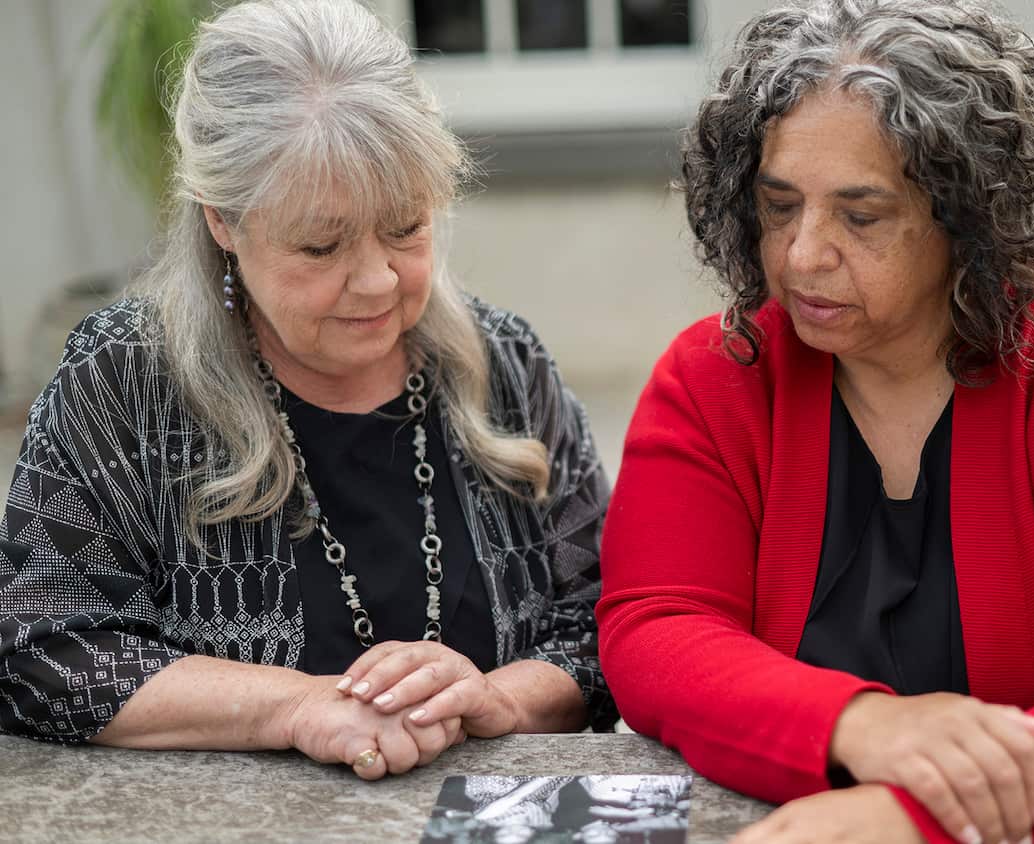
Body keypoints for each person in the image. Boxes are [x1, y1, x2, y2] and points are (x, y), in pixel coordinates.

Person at [597, 1, 1034, 842]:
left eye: (860, 216)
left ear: (966, 216)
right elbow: (656, 628)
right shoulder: (718, 375)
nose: (802, 255)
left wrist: (914, 817)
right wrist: (862, 727)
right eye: (779, 207)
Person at [0, 0, 614, 779]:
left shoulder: (504, 366)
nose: (377, 280)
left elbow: (605, 628)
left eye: (406, 227)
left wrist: (496, 700)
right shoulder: (123, 379)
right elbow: (42, 648)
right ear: (224, 221)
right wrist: (293, 705)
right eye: (321, 245)